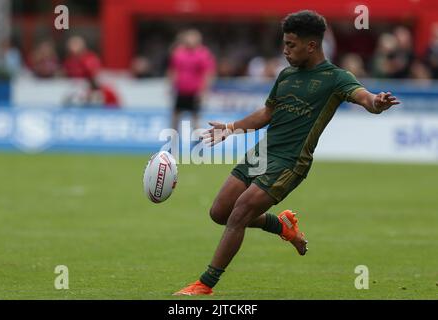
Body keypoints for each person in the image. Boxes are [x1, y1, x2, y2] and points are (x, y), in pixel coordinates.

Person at [174, 10, 399, 296]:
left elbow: (365, 98)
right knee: (220, 212)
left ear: (312, 46)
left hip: (291, 162)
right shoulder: (286, 75)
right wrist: (231, 127)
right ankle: (281, 226)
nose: (285, 50)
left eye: (291, 44)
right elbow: (267, 113)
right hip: (262, 153)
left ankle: (205, 284)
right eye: (284, 43)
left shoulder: (336, 78)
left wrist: (377, 102)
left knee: (240, 212)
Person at [167, 29, 216, 131]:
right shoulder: (178, 53)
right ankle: (172, 139)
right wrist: (171, 86)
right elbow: (173, 70)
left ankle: (197, 140)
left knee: (195, 116)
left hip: (195, 91)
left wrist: (204, 90)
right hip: (181, 90)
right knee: (175, 115)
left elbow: (208, 73)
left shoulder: (203, 54)